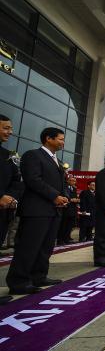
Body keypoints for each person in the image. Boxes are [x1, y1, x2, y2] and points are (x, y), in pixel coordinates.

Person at [6, 127, 67, 295]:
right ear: (49, 138)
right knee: (29, 247)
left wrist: (63, 197)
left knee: (45, 247)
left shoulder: (57, 161)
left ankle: (39, 275)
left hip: (53, 210)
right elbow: (33, 180)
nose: (63, 142)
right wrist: (55, 195)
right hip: (36, 210)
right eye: (60, 139)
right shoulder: (33, 155)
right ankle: (19, 281)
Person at [0, 114, 24, 304]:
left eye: (10, 128)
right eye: (6, 128)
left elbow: (17, 179)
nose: (10, 132)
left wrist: (11, 196)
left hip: (5, 209)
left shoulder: (8, 155)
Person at [58, 176, 79, 245]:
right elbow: (64, 196)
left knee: (70, 226)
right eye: (72, 180)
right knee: (63, 225)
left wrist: (77, 200)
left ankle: (67, 238)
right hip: (65, 209)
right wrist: (71, 200)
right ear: (68, 181)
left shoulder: (74, 188)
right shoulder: (64, 187)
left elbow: (75, 197)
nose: (73, 182)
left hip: (72, 209)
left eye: (74, 181)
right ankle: (60, 240)